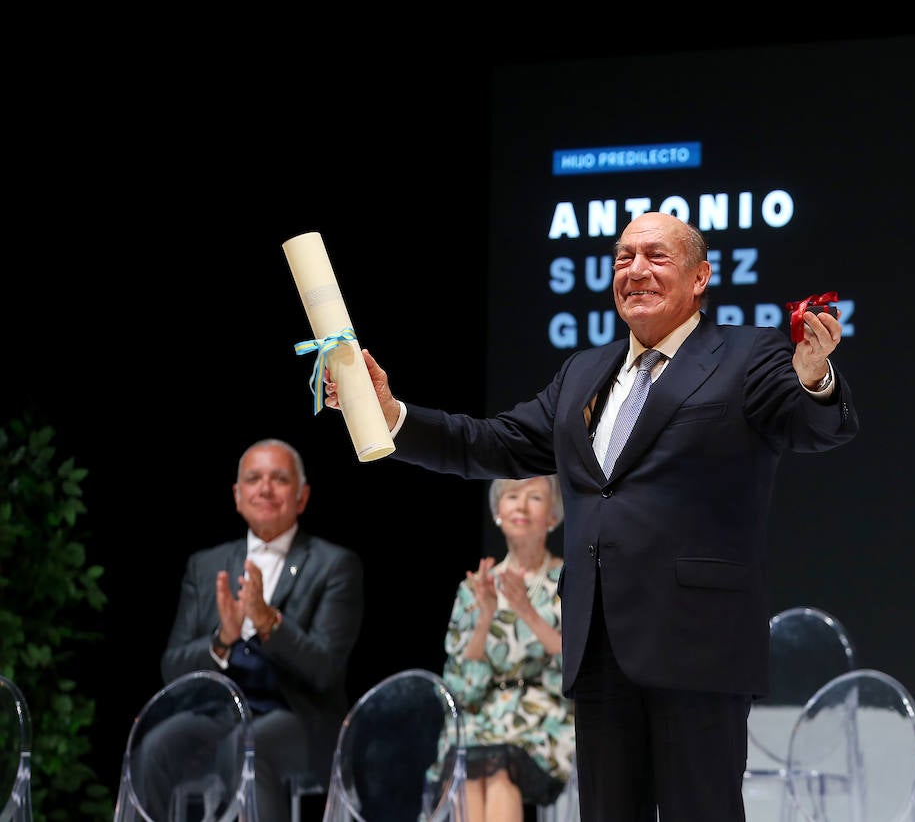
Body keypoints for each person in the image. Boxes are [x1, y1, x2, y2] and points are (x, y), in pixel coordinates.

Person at [324, 210, 858, 821]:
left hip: (698, 643)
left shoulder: (747, 352)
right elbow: (489, 443)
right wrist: (392, 413)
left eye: (656, 257)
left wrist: (814, 378)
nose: (635, 270)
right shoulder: (583, 371)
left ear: (701, 276)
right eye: (623, 257)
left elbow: (811, 426)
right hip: (599, 640)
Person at [153, 438, 364, 822]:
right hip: (216, 714)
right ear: (237, 495)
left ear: (302, 497)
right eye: (253, 478)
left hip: (300, 717)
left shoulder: (334, 565)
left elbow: (325, 669)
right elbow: (173, 668)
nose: (265, 488)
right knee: (154, 746)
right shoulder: (206, 565)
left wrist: (268, 621)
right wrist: (222, 641)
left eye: (279, 479)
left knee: (250, 746)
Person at [430, 475, 575, 822]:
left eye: (535, 498)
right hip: (483, 714)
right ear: (497, 511)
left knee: (497, 767)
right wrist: (485, 618)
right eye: (512, 496)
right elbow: (461, 687)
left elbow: (576, 663)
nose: (521, 506)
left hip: (541, 715)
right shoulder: (476, 587)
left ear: (552, 516)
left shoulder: (568, 579)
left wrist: (527, 612)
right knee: (470, 764)